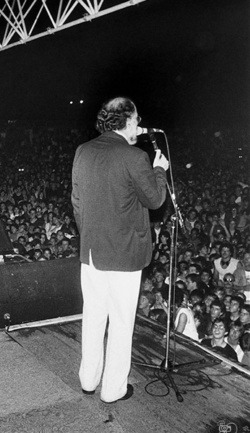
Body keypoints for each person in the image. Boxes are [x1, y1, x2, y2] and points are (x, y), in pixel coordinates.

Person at [71, 97, 169, 403]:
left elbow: (76, 202)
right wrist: (159, 170)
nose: (139, 123)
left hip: (91, 253)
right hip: (125, 255)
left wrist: (90, 233)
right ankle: (113, 389)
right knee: (122, 323)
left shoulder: (83, 151)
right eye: (137, 118)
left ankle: (88, 380)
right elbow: (155, 201)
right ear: (126, 121)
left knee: (94, 317)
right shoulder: (135, 156)